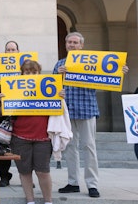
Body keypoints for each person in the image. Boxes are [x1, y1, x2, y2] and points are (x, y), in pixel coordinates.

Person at [54, 32, 129, 198]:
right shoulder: (59, 64)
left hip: (87, 109)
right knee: (70, 148)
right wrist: (58, 75)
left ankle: (92, 185)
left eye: (75, 42)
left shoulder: (92, 62)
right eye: (69, 42)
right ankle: (73, 182)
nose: (72, 45)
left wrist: (120, 70)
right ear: (65, 45)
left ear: (81, 45)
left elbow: (109, 77)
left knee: (89, 147)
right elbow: (51, 88)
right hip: (66, 111)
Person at [9, 59, 61, 204]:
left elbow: (59, 109)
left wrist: (60, 96)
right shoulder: (14, 89)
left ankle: (48, 201)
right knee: (24, 171)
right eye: (27, 72)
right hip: (20, 136)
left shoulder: (50, 89)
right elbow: (5, 113)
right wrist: (2, 99)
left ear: (39, 73)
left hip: (43, 137)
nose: (30, 74)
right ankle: (30, 200)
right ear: (22, 73)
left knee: (43, 171)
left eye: (34, 72)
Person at [0, 40, 20, 187]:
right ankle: (4, 176)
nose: (10, 52)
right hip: (4, 112)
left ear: (18, 52)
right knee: (3, 145)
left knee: (22, 146)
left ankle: (26, 175)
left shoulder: (24, 68)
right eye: (8, 50)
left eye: (13, 50)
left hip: (21, 112)